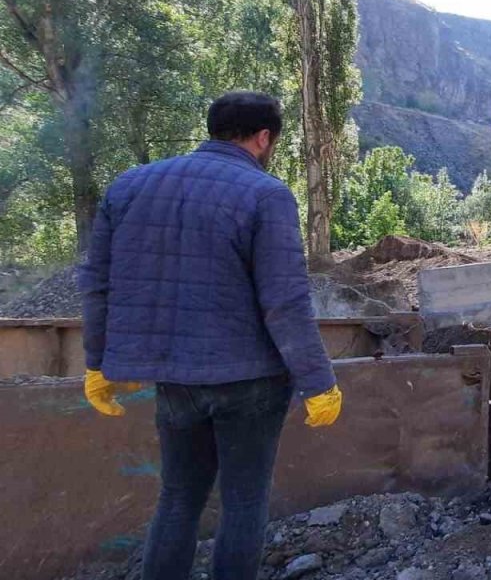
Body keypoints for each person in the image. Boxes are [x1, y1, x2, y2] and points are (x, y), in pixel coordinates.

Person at [78, 91, 342, 580]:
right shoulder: (265, 193)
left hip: (174, 377)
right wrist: (318, 381)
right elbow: (284, 300)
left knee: (178, 496)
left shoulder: (130, 185)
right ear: (264, 138)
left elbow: (97, 283)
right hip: (251, 381)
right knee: (243, 503)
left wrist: (98, 363)